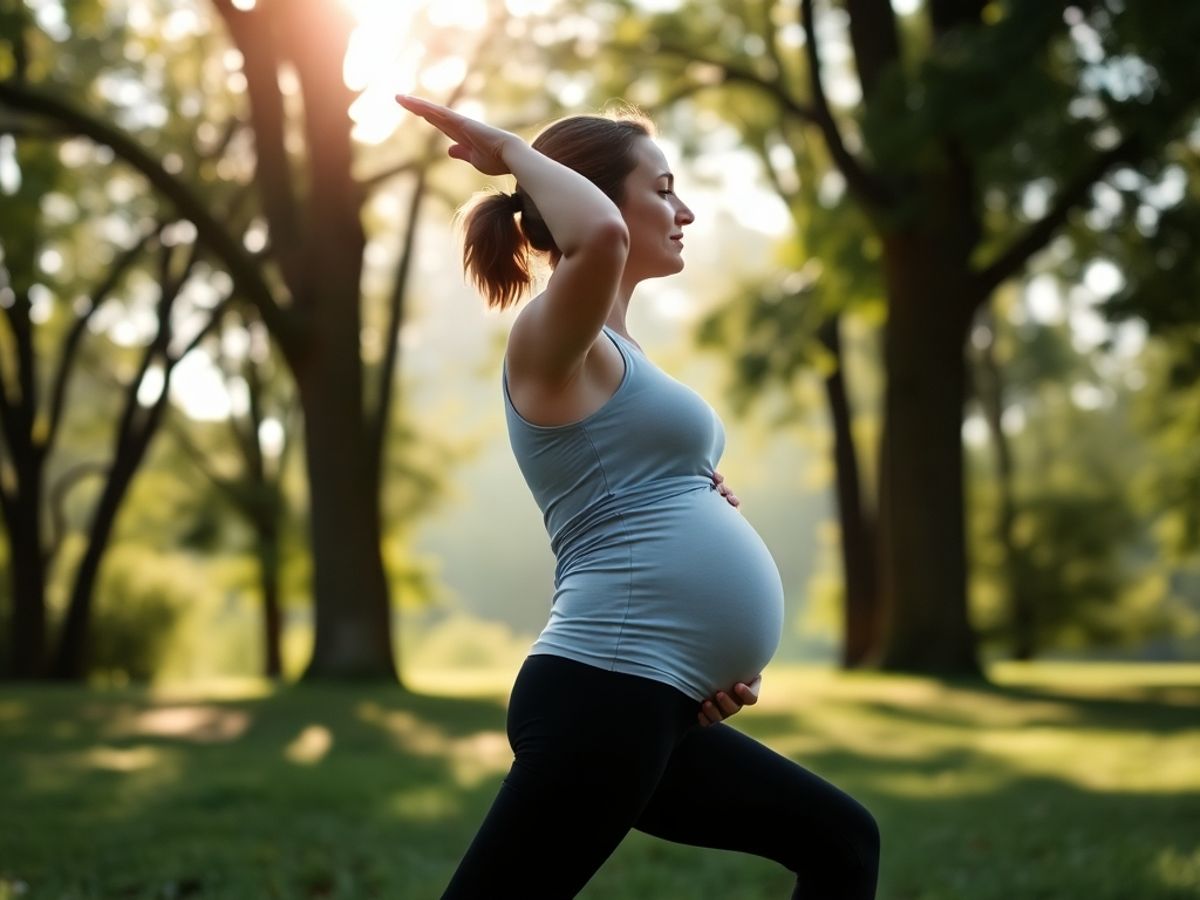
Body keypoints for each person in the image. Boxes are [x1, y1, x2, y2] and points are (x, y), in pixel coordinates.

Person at [396, 93, 880, 900]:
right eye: (662, 189)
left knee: (841, 841)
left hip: (651, 697)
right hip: (601, 689)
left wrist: (706, 650)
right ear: (589, 196)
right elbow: (602, 238)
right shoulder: (550, 337)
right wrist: (513, 150)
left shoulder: (619, 355)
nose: (683, 210)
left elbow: (635, 491)